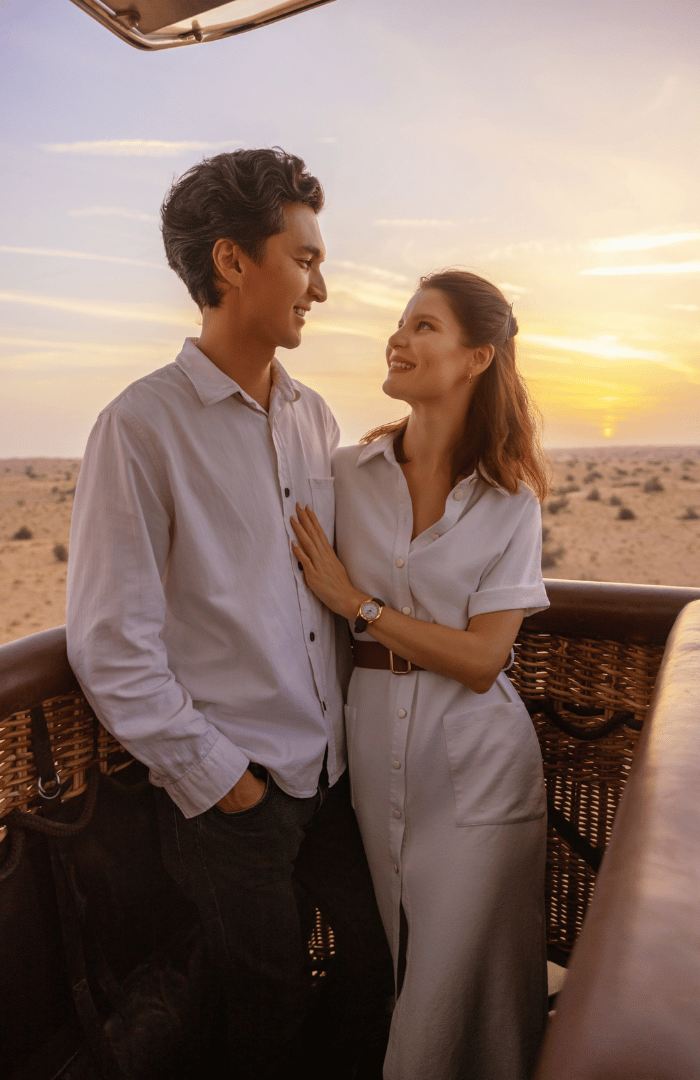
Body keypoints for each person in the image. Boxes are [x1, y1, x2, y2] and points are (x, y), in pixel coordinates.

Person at [66, 147, 392, 1079]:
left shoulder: (314, 418)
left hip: (328, 776)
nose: (320, 288)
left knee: (384, 950)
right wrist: (222, 778)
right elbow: (109, 642)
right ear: (232, 261)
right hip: (235, 791)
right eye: (305, 259)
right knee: (265, 1011)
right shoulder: (140, 427)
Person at [291, 269, 550, 1080]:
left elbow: (483, 660)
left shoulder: (510, 502)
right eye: (401, 323)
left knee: (455, 990)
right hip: (371, 756)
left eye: (424, 327)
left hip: (478, 770)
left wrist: (356, 603)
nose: (398, 339)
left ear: (478, 356)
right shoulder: (344, 474)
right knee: (404, 962)